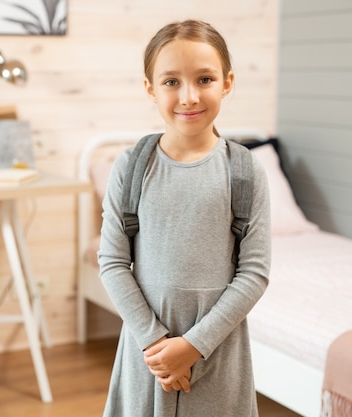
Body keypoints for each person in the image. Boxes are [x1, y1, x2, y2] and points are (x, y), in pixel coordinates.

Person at [98, 19, 271, 417]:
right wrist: (157, 344)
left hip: (218, 348)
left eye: (204, 79)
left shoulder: (245, 171)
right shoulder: (130, 167)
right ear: (150, 89)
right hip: (147, 353)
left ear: (227, 83)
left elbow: (254, 273)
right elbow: (111, 262)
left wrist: (193, 346)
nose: (189, 96)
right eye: (171, 81)